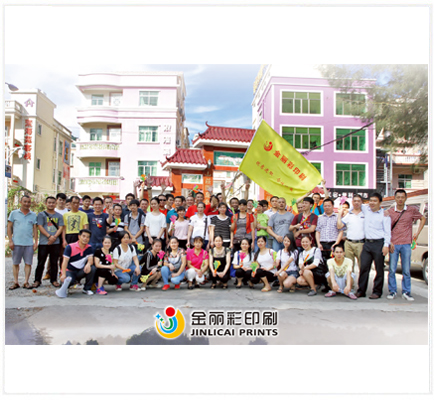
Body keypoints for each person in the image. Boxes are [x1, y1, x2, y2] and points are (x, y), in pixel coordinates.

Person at [387, 189, 425, 302]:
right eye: (398, 197)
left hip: (406, 244)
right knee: (392, 269)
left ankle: (406, 292)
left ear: (405, 198)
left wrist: (417, 233)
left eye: (402, 197)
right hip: (393, 244)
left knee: (406, 270)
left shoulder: (411, 210)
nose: (400, 199)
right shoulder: (389, 211)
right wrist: (389, 241)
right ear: (395, 198)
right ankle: (392, 291)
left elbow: (423, 218)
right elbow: (385, 227)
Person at [356, 193, 391, 299]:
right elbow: (356, 202)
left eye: (375, 201)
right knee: (364, 267)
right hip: (367, 244)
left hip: (379, 243)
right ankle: (361, 291)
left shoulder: (385, 215)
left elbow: (387, 232)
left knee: (379, 269)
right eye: (370, 200)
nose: (372, 203)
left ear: (380, 202)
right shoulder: (366, 210)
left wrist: (386, 245)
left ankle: (377, 292)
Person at [7, 195, 38, 290]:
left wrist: (36, 242)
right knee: (15, 263)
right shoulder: (14, 213)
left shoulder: (33, 215)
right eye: (25, 201)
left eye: (28, 202)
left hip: (29, 243)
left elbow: (35, 229)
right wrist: (10, 240)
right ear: (20, 202)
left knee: (28, 263)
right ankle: (16, 282)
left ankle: (26, 282)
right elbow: (9, 227)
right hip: (16, 243)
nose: (26, 204)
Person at [33, 196, 64, 288]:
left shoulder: (59, 216)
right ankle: (37, 280)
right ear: (46, 203)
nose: (51, 204)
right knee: (41, 262)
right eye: (49, 202)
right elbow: (40, 226)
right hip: (44, 243)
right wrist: (49, 236)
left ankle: (54, 280)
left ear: (55, 203)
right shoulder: (41, 215)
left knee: (54, 262)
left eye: (53, 202)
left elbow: (61, 228)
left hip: (55, 243)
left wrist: (54, 237)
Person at [60, 229, 96, 296]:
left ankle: (87, 289)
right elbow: (64, 262)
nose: (85, 238)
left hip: (80, 271)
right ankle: (65, 287)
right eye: (83, 236)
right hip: (70, 271)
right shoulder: (70, 247)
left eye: (87, 237)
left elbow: (90, 260)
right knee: (69, 280)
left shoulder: (89, 248)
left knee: (92, 268)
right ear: (79, 236)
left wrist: (88, 264)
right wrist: (63, 274)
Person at [337, 194, 365, 272]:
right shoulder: (349, 214)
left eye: (358, 201)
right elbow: (339, 226)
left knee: (362, 266)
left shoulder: (365, 214)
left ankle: (362, 280)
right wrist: (339, 214)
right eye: (355, 201)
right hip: (349, 243)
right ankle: (350, 280)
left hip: (361, 243)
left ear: (361, 202)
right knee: (349, 267)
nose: (356, 203)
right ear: (352, 202)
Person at [315, 198, 343, 264]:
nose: (327, 207)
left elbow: (341, 231)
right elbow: (318, 231)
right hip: (323, 244)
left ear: (333, 206)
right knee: (323, 263)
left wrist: (336, 243)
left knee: (334, 263)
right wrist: (318, 243)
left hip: (333, 243)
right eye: (325, 206)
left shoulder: (338, 217)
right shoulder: (320, 218)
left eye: (329, 206)